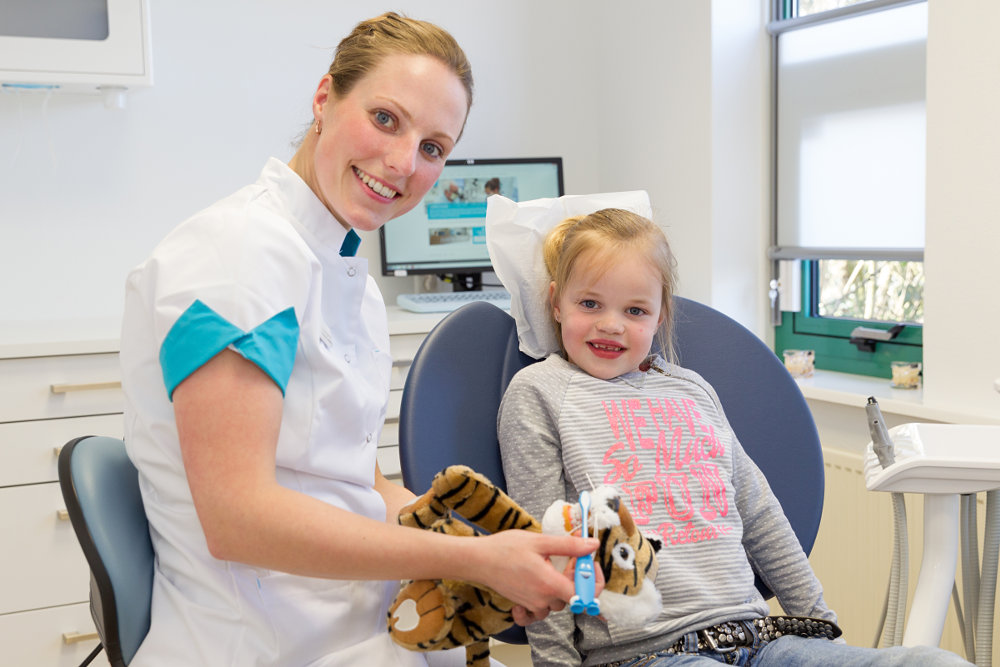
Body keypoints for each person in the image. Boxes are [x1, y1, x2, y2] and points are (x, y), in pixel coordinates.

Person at [119, 12, 597, 666]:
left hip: (362, 625)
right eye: (385, 118)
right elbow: (238, 518)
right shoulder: (233, 260)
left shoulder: (348, 279)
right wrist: (470, 555)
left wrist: (501, 549)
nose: (402, 162)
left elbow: (359, 486)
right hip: (259, 644)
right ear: (324, 98)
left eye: (433, 147)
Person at [497, 208, 970, 666]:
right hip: (644, 654)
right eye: (589, 303)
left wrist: (825, 630)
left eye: (635, 309)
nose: (611, 324)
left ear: (660, 316)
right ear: (556, 301)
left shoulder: (693, 391)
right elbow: (544, 546)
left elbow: (759, 511)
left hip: (761, 640)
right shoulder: (540, 392)